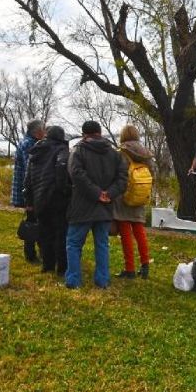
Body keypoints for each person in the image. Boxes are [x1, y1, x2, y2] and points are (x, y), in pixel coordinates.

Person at [64, 120, 128, 289]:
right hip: (105, 207)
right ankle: (102, 280)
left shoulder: (77, 151)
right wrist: (109, 193)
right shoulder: (115, 154)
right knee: (102, 244)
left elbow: (76, 175)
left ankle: (73, 280)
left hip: (81, 206)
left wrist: (96, 193)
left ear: (84, 134)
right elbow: (122, 179)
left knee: (74, 244)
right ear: (100, 132)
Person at [23, 125, 71, 275]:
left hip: (39, 197)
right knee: (60, 233)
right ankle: (62, 267)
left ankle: (47, 265)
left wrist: (29, 201)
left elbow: (28, 179)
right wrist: (66, 190)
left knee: (45, 232)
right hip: (57, 198)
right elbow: (62, 170)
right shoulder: (62, 149)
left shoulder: (36, 151)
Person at [113, 125, 156, 279]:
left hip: (124, 197)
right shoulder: (146, 153)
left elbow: (116, 175)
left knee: (125, 233)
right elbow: (152, 174)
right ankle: (145, 266)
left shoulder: (121, 153)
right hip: (140, 196)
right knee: (139, 231)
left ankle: (129, 268)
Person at [12, 119, 46, 264]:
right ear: (37, 132)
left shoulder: (27, 142)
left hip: (28, 190)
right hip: (29, 191)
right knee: (33, 221)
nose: (45, 133)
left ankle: (35, 253)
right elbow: (29, 171)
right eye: (43, 130)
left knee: (33, 220)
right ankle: (31, 254)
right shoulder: (29, 144)